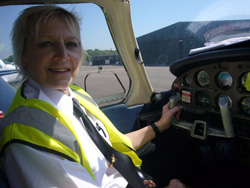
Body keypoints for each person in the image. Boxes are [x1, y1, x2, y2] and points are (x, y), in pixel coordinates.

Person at [0, 5, 184, 188]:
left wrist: (160, 125)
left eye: (71, 44)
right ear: (24, 56)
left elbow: (113, 147)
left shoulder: (75, 94)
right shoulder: (28, 138)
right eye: (47, 44)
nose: (62, 55)